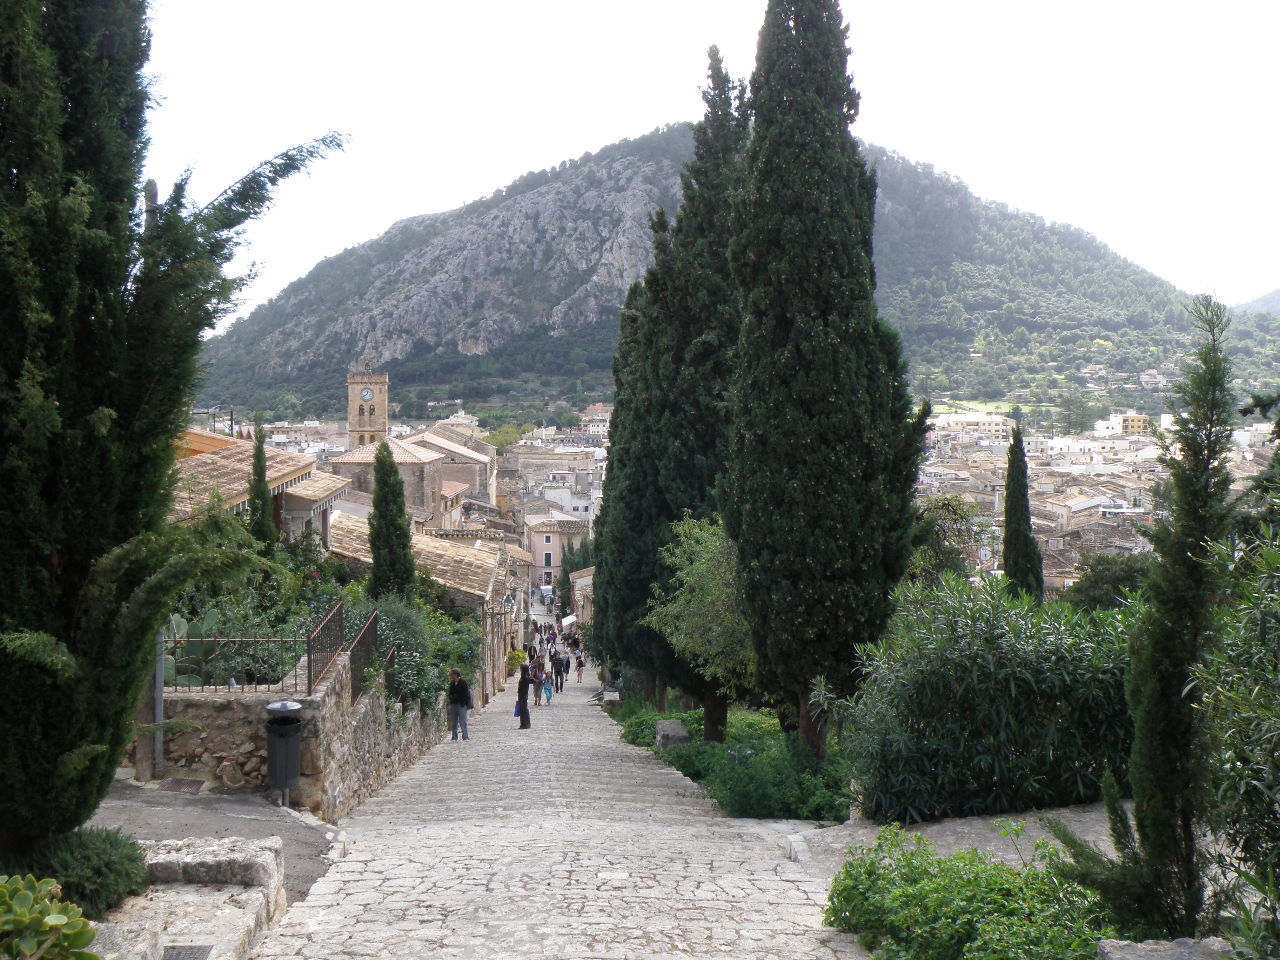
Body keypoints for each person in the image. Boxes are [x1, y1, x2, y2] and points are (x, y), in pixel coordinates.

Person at [447, 669, 472, 741]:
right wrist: (452, 698)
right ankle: (454, 737)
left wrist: (463, 702)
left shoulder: (463, 682)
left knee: (462, 721)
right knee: (454, 722)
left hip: (461, 705)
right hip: (454, 705)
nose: (451, 676)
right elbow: (450, 693)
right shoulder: (452, 683)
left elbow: (466, 694)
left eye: (452, 675)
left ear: (456, 674)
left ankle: (465, 737)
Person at [516, 663, 532, 729]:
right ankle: (524, 724)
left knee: (524, 710)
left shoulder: (525, 677)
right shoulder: (524, 676)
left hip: (523, 695)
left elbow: (523, 688)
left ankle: (525, 724)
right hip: (522, 695)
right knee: (523, 709)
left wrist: (521, 694)